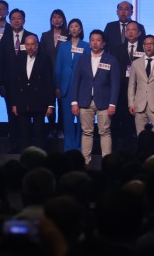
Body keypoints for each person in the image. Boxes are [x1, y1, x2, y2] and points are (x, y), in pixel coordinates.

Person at [70, 29, 120, 166]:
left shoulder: (111, 60)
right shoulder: (83, 59)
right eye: (92, 40)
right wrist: (74, 102)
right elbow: (76, 82)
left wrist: (113, 104)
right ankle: (85, 163)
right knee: (86, 132)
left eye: (98, 40)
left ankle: (107, 163)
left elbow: (115, 84)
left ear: (103, 43)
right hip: (84, 101)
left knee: (105, 132)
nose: (95, 43)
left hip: (105, 102)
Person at [0, 8, 37, 152]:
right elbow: (1, 61)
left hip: (28, 84)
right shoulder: (4, 38)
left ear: (24, 20)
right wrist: (1, 84)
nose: (16, 20)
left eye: (19, 18)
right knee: (12, 115)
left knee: (26, 116)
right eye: (13, 18)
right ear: (10, 21)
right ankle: (14, 145)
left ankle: (27, 146)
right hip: (9, 85)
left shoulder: (31, 37)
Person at [11, 34, 55, 150]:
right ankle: (24, 160)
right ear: (24, 46)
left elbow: (49, 83)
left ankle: (40, 159)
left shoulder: (45, 58)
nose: (30, 47)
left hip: (39, 102)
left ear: (37, 45)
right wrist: (14, 103)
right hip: (22, 101)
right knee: (24, 134)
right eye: (27, 44)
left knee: (39, 134)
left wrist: (50, 104)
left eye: (32, 44)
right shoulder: (19, 58)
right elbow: (15, 83)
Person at [54, 19, 88, 153]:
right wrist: (57, 85)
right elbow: (58, 67)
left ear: (80, 29)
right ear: (68, 30)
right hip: (65, 87)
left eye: (77, 26)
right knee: (67, 120)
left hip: (81, 87)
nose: (74, 29)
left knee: (81, 121)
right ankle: (69, 148)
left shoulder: (86, 46)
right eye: (71, 27)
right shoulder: (63, 46)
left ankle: (79, 148)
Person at [111, 21, 143, 151]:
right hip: (122, 91)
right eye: (128, 30)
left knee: (137, 124)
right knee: (121, 124)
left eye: (133, 30)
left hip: (140, 91)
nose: (130, 32)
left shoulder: (144, 48)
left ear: (139, 32)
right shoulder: (117, 49)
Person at [39, 9, 67, 136]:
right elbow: (41, 54)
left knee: (62, 103)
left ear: (63, 19)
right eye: (54, 17)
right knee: (49, 102)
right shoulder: (45, 35)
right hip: (48, 73)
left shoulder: (68, 35)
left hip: (64, 74)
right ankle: (51, 128)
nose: (57, 20)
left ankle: (61, 128)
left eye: (59, 17)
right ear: (51, 20)